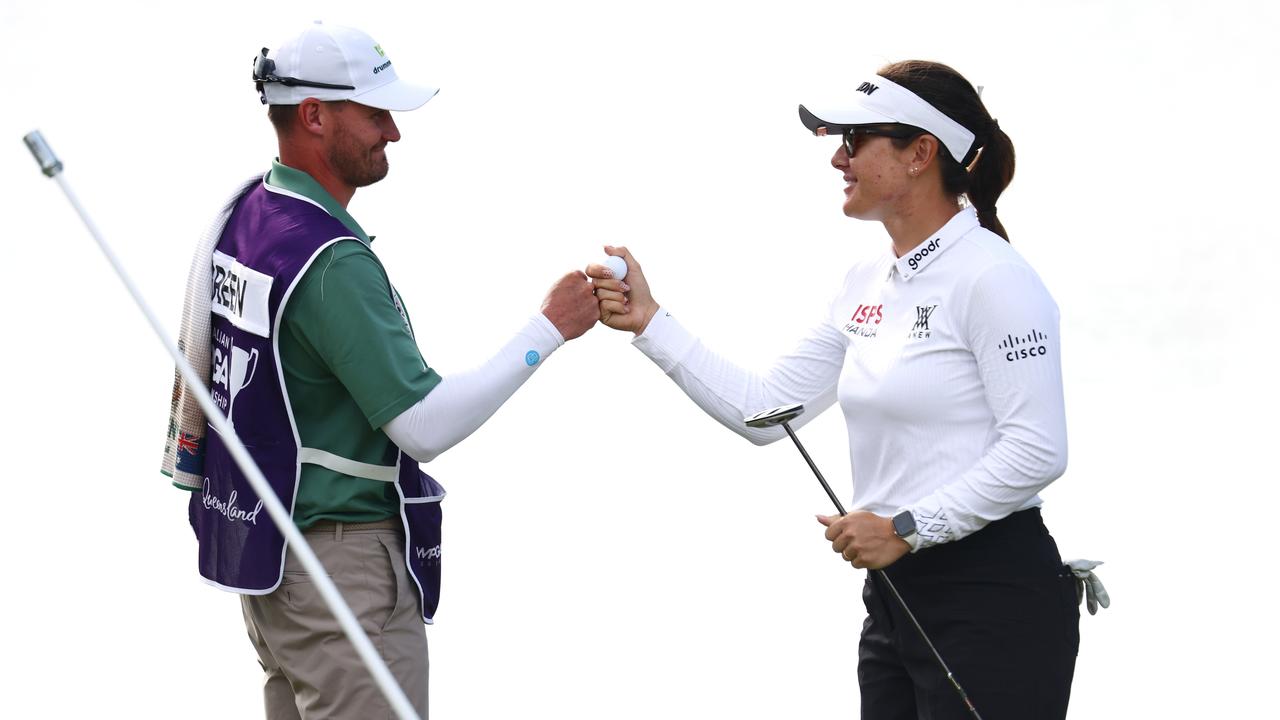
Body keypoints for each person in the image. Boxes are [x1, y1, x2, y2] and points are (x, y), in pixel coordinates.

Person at [586, 61, 1079, 719]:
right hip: (895, 597)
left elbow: (1038, 451)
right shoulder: (867, 279)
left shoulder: (995, 278)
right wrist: (651, 322)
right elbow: (767, 411)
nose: (837, 159)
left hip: (994, 595)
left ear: (920, 154)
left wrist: (906, 527)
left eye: (855, 140)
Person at [159, 21, 598, 719]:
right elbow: (423, 425)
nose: (392, 131)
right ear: (314, 115)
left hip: (275, 573)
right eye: (374, 113)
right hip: (340, 580)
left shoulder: (251, 214)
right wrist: (548, 329)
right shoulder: (329, 262)